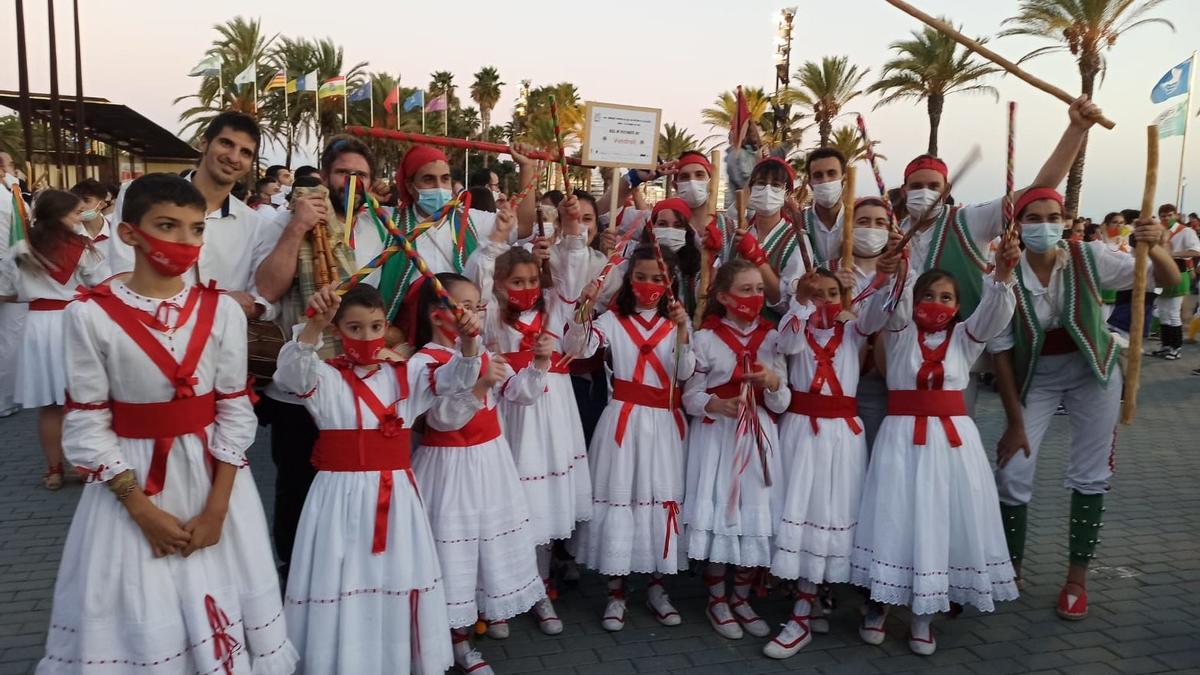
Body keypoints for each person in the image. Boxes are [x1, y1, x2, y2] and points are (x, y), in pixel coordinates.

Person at [38, 173, 295, 673]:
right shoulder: (89, 316)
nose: (185, 242)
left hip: (215, 484)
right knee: (143, 610)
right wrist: (141, 511)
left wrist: (218, 508)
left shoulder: (222, 310)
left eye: (196, 229)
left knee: (221, 598)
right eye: (168, 226)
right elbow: (87, 426)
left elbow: (234, 410)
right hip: (131, 491)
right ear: (128, 232)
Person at [989, 188, 1179, 621]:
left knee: (1090, 474)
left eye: (1052, 216)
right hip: (1036, 378)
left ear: (1065, 219)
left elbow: (1168, 282)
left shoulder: (1088, 256)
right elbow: (1000, 353)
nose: (1044, 225)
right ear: (1016, 225)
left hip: (1094, 372)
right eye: (1032, 218)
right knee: (1012, 470)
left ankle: (1077, 579)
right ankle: (1011, 568)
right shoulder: (1000, 273)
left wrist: (1161, 246)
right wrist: (1013, 423)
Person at [275, 282, 482, 674]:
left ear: (385, 326)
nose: (366, 337)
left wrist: (469, 340)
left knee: (396, 576)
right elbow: (290, 374)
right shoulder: (324, 377)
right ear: (339, 331)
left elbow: (459, 378)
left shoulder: (409, 374)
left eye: (374, 327)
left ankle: (394, 661)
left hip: (396, 497)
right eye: (354, 328)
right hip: (338, 500)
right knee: (340, 577)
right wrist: (313, 326)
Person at [851, 231, 1022, 656]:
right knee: (895, 514)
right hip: (901, 438)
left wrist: (1003, 274)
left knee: (936, 517)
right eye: (929, 295)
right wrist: (898, 273)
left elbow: (995, 312)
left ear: (958, 305)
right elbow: (885, 310)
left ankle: (924, 614)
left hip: (950, 443)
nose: (938, 304)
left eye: (947, 298)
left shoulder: (966, 337)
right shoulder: (901, 330)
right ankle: (879, 604)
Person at [253, 135, 394, 579]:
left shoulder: (380, 226)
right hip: (303, 383)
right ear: (325, 174)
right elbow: (268, 289)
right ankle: (295, 575)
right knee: (298, 485)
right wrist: (297, 228)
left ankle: (350, 579)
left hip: (360, 388)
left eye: (361, 175)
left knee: (355, 486)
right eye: (343, 173)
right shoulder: (290, 218)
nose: (352, 182)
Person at [464, 194, 592, 636]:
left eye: (529, 280)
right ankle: (496, 599)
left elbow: (573, 275)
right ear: (499, 285)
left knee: (541, 510)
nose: (524, 287)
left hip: (553, 417)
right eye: (513, 281)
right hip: (509, 419)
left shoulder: (555, 308)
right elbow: (477, 287)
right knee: (505, 508)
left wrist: (572, 229)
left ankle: (539, 590)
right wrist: (496, 241)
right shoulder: (493, 317)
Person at [411, 273, 548, 675]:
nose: (475, 315)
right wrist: (478, 387)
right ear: (439, 316)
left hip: (490, 461)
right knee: (453, 550)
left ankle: (477, 617)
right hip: (450, 468)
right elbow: (439, 419)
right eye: (466, 306)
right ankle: (456, 641)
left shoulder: (482, 352)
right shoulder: (424, 361)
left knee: (483, 546)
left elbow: (517, 395)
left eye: (477, 306)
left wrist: (539, 363)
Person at [564, 244, 694, 632]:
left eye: (658, 279)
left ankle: (657, 587)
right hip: (622, 419)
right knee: (623, 497)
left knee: (659, 499)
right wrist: (584, 308)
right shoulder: (612, 320)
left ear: (670, 282)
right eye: (641, 277)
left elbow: (684, 372)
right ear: (628, 279)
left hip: (664, 424)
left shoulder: (678, 324)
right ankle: (616, 592)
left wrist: (685, 329)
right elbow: (578, 347)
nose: (649, 285)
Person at [682, 259, 790, 640]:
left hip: (757, 436)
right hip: (718, 440)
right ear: (724, 297)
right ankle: (717, 599)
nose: (755, 297)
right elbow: (690, 395)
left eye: (760, 290)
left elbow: (782, 402)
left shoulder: (774, 337)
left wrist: (773, 381)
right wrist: (715, 404)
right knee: (721, 514)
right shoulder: (705, 339)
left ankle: (742, 596)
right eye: (745, 290)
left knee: (753, 518)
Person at [764, 268, 868, 659]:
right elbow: (788, 343)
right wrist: (802, 302)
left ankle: (810, 606)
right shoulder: (795, 330)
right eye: (817, 294)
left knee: (831, 514)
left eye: (832, 293)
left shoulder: (855, 331)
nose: (825, 300)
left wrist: (895, 272)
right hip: (801, 433)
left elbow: (886, 316)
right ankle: (803, 610)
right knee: (802, 515)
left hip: (842, 436)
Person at [108, 111, 273, 319]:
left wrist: (252, 306)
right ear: (204, 143)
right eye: (226, 143)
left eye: (245, 153)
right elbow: (123, 272)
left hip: (219, 344)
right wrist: (217, 304)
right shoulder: (140, 193)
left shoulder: (256, 225)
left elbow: (262, 300)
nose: (233, 157)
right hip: (143, 333)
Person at [0, 190, 105, 490]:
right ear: (60, 215)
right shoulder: (81, 247)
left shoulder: (20, 248)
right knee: (80, 399)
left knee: (50, 406)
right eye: (75, 214)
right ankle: (83, 466)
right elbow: (100, 286)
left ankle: (54, 470)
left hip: (36, 327)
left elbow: (8, 291)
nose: (79, 218)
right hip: (72, 322)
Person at [378, 144, 537, 340]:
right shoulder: (387, 220)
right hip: (406, 340)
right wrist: (368, 194)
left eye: (445, 179)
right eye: (429, 179)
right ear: (411, 186)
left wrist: (527, 167)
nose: (439, 186)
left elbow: (523, 228)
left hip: (463, 336)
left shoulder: (471, 220)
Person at [730, 156, 815, 319]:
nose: (767, 190)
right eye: (760, 183)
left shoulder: (797, 240)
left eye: (776, 185)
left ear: (786, 193)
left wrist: (757, 258)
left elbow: (790, 305)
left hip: (774, 336)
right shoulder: (741, 232)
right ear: (751, 188)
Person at [1151, 203, 1199, 359]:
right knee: (1162, 312)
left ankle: (1176, 348)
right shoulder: (1159, 230)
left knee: (1172, 312)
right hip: (1160, 275)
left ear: (1176, 215)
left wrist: (1172, 254)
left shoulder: (1186, 231)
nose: (1166, 218)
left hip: (1179, 272)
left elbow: (1195, 251)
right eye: (1163, 216)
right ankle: (1166, 346)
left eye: (1169, 215)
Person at [798, 147, 848, 265]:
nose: (825, 180)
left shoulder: (859, 220)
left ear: (844, 179)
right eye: (818, 175)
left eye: (832, 173)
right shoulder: (798, 223)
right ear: (810, 183)